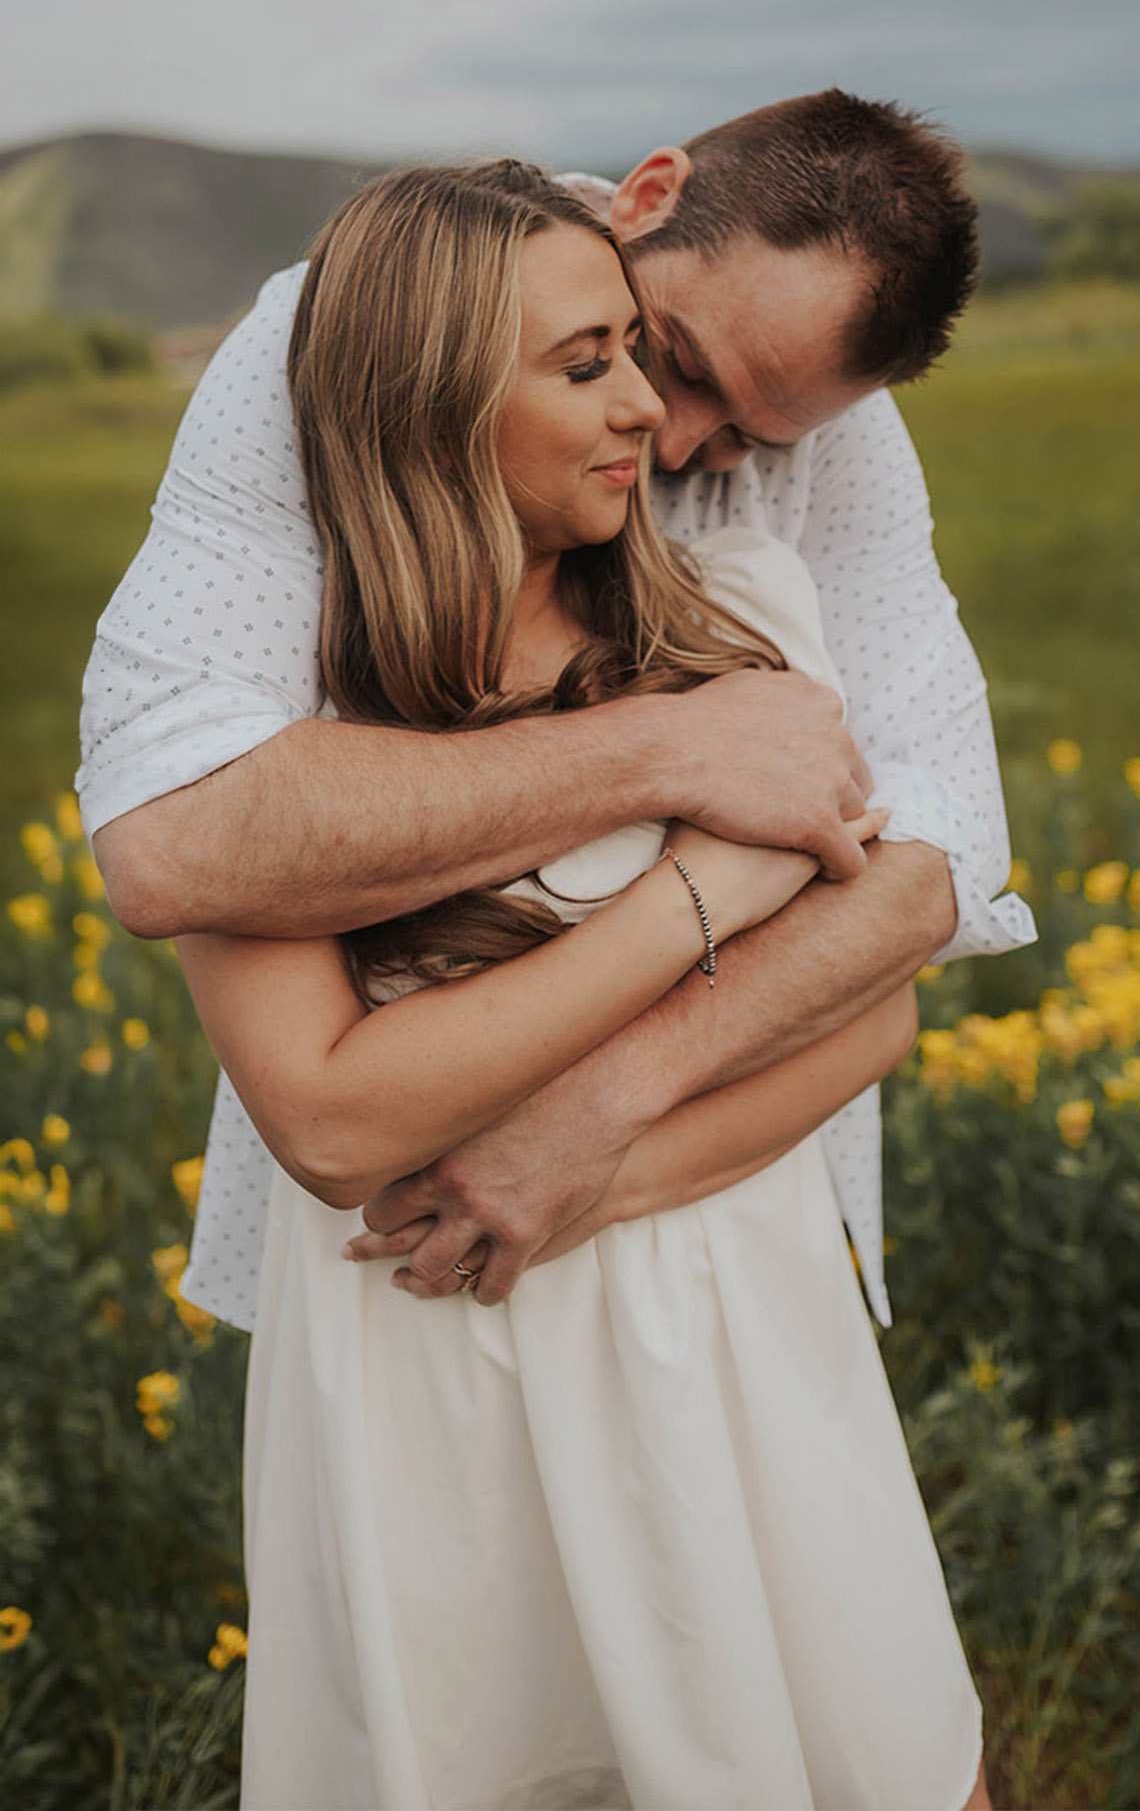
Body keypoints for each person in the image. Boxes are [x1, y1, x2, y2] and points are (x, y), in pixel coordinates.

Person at [177, 159, 991, 1808]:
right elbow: (333, 1122)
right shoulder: (276, 730)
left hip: (734, 1317)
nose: (662, 431)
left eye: (645, 360)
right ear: (418, 390)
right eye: (602, 362)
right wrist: (709, 879)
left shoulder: (743, 609)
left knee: (866, 1750)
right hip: (427, 1345)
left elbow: (883, 992)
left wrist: (588, 1144)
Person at [77, 89, 1036, 1339]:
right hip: (400, 1245)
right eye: (665, 356)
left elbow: (941, 855)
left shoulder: (807, 495)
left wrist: (603, 1116)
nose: (677, 436)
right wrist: (672, 754)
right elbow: (175, 836)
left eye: (752, 436)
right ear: (648, 195)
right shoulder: (336, 344)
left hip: (726, 1195)